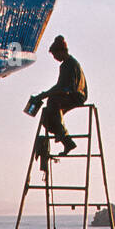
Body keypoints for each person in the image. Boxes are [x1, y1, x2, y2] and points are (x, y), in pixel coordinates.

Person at [30, 35, 87, 168]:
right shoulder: (67, 65)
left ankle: (65, 139)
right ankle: (65, 140)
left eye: (55, 55)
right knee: (48, 115)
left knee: (53, 103)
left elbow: (65, 88)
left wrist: (45, 95)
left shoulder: (69, 65)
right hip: (71, 93)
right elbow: (60, 86)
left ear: (61, 51)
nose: (55, 58)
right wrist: (44, 94)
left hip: (76, 95)